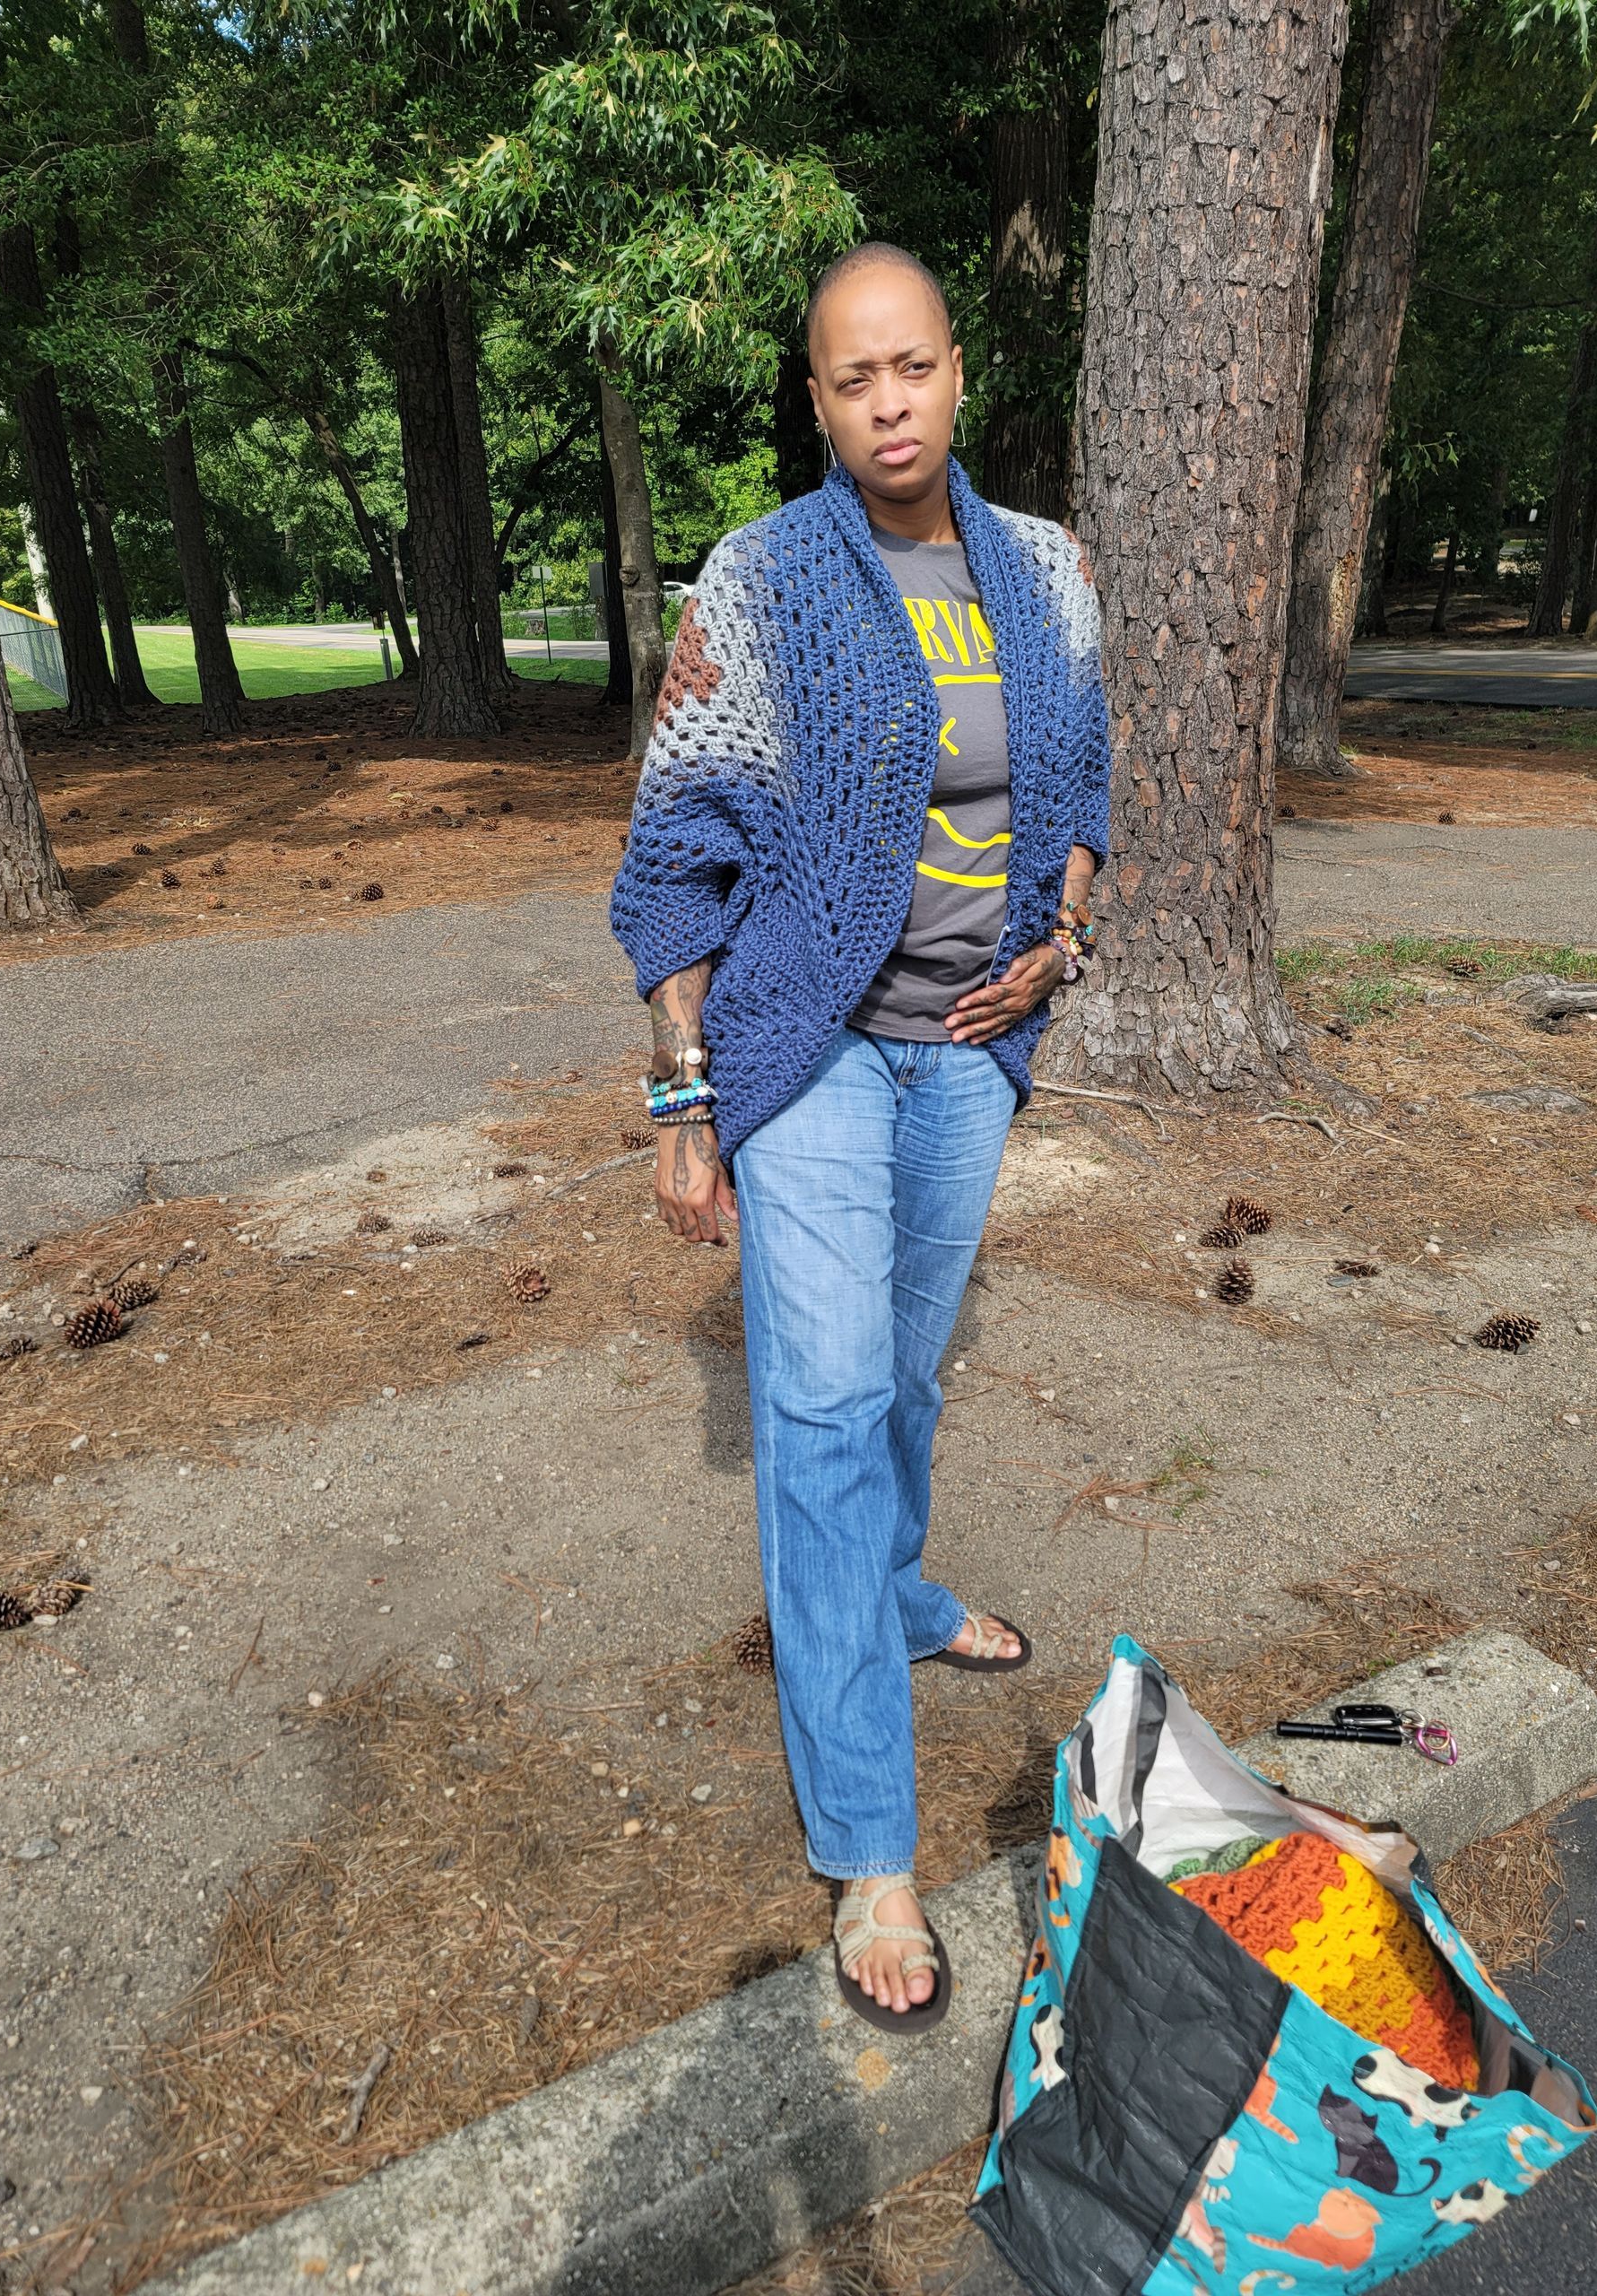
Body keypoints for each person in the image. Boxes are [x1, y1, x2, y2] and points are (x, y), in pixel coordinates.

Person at [611, 240, 1111, 2032]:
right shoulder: (758, 584)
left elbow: (1080, 793)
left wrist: (1062, 937)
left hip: (970, 1057)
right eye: (849, 377)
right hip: (806, 1052)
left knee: (902, 1374)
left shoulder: (1047, 572)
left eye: (912, 366)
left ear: (958, 371)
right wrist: (685, 1101)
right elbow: (672, 859)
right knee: (820, 1413)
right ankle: (872, 1848)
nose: (887, 401)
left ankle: (897, 1589)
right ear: (815, 397)